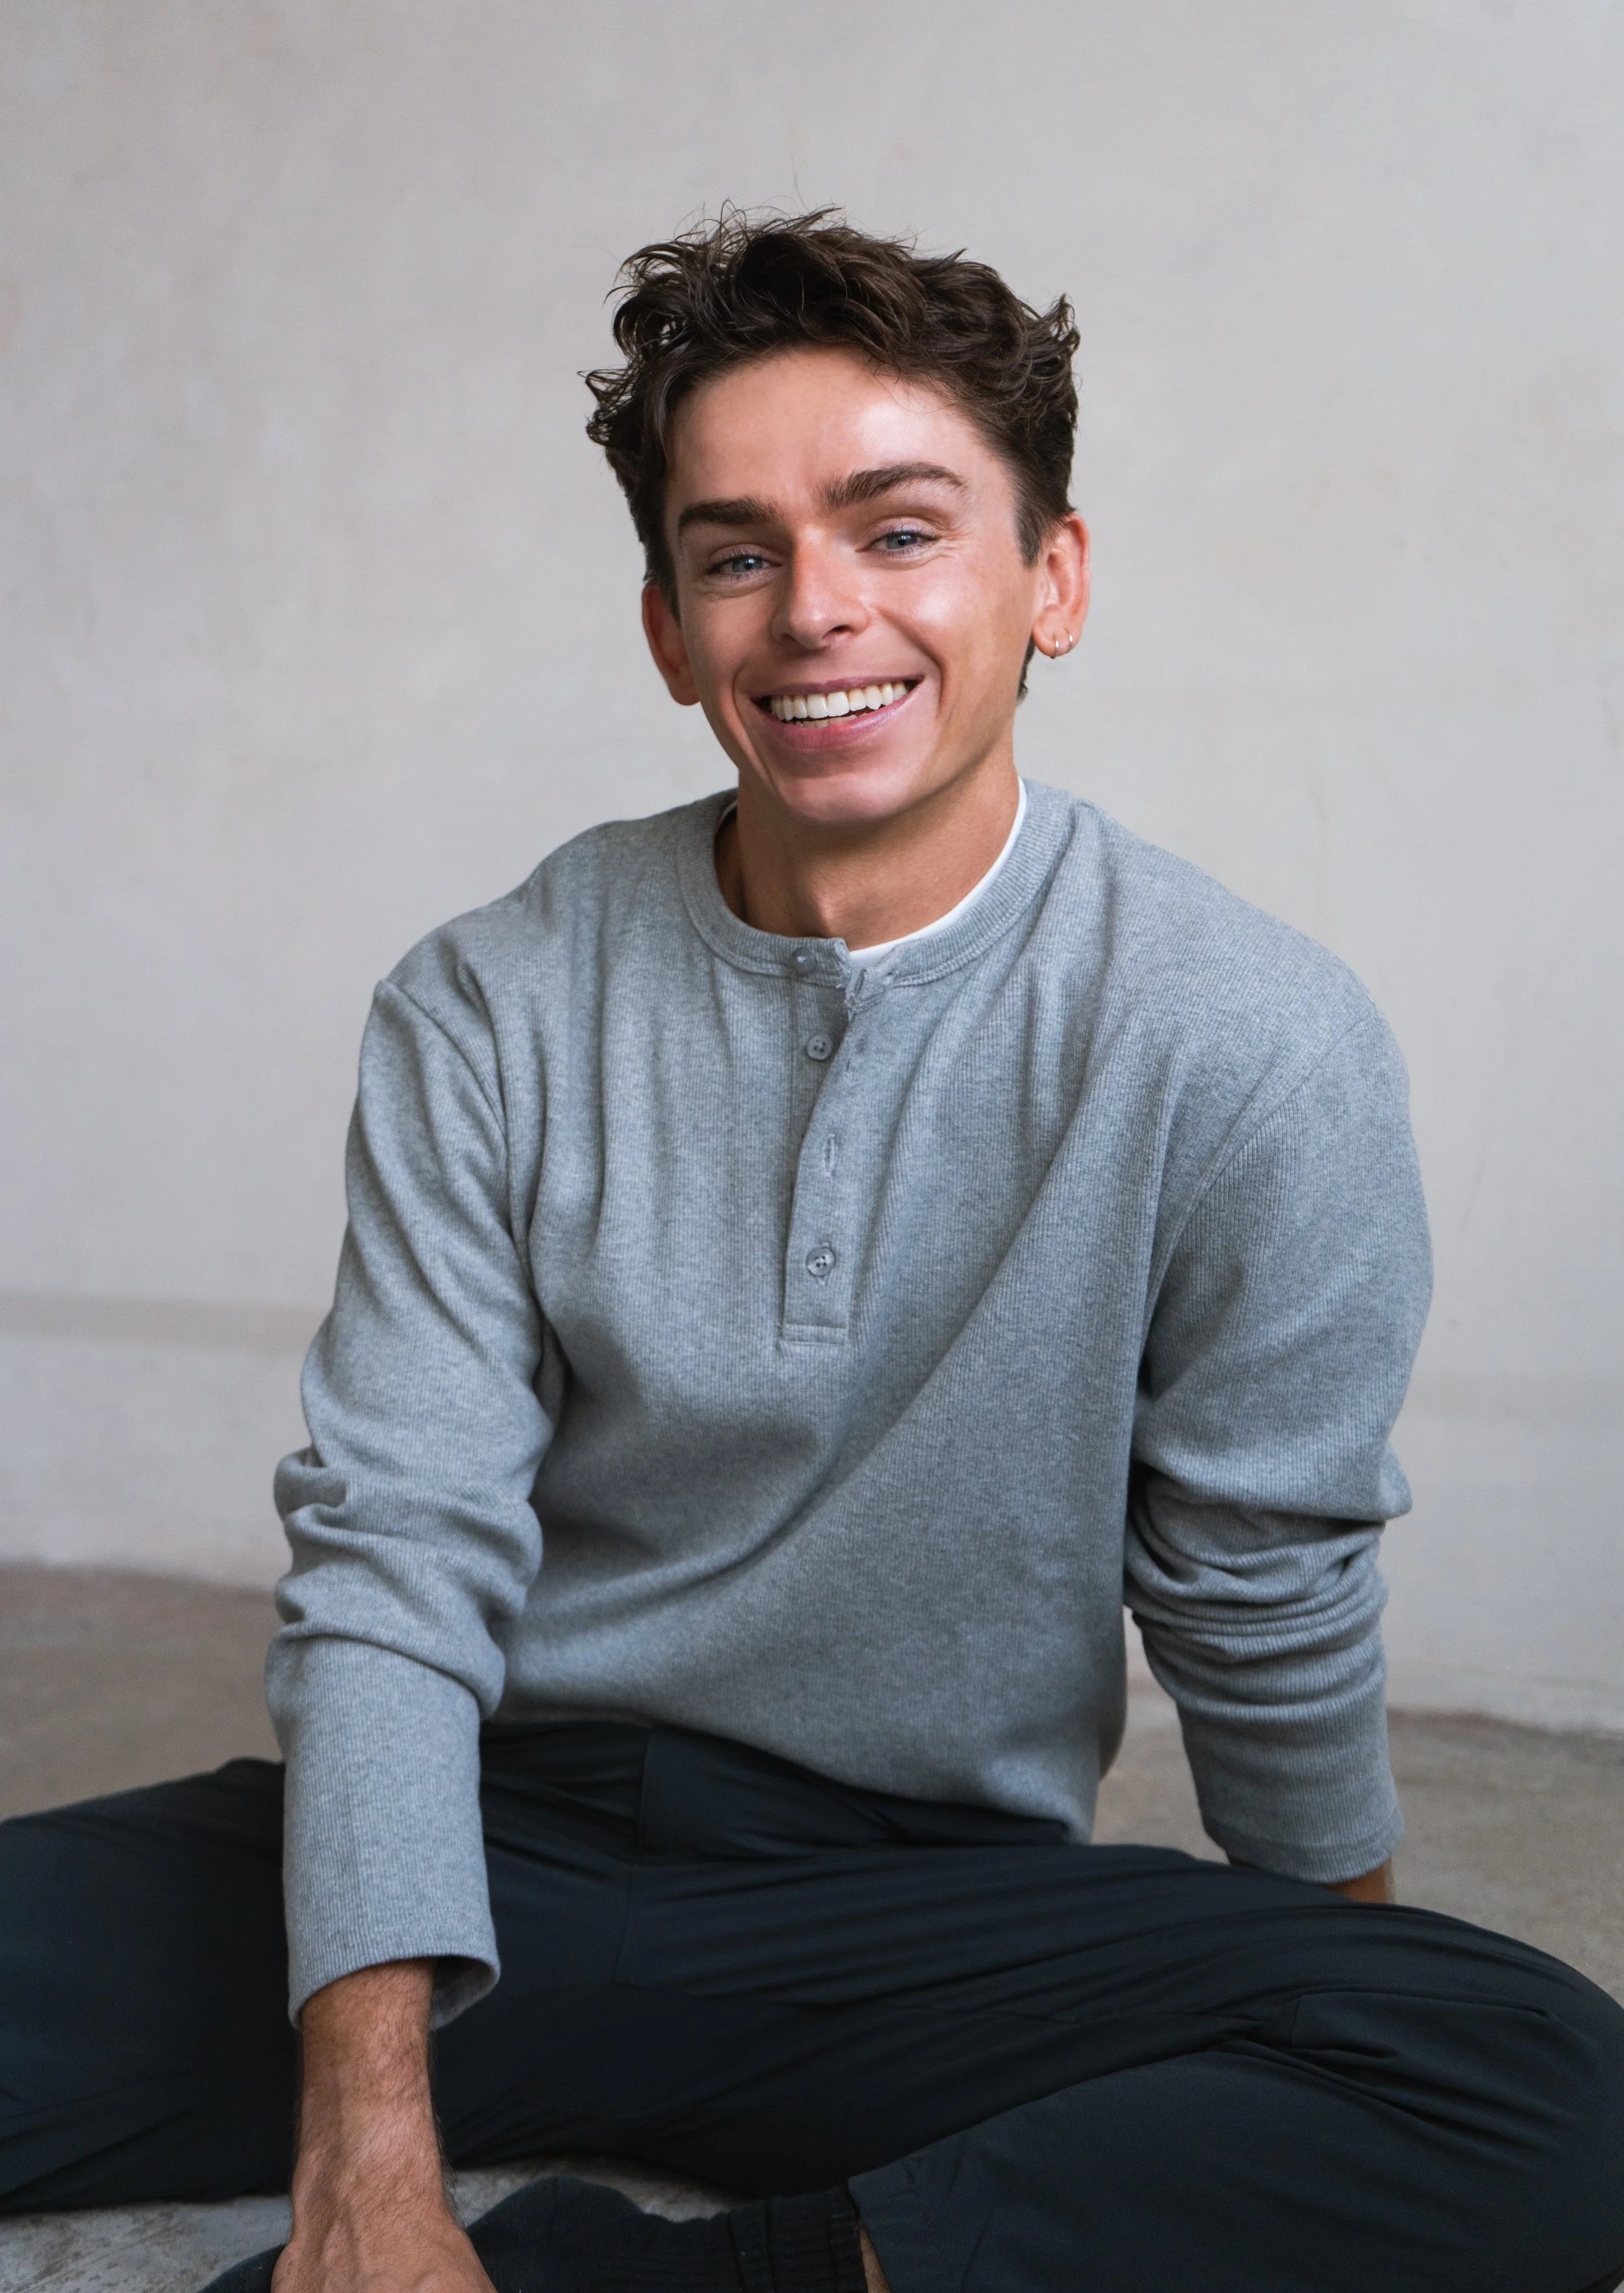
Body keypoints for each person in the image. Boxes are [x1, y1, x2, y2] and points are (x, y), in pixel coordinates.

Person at [2, 211, 1621, 2293]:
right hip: (491, 1846)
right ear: (672, 630)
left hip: (921, 1915)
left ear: (1053, 578)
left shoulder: (1250, 1041)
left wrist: (1330, 2000)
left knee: (1539, 2086)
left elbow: (1259, 1587)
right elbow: (396, 1562)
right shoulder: (492, 1003)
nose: (812, 614)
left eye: (897, 529)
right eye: (736, 551)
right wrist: (368, 2163)